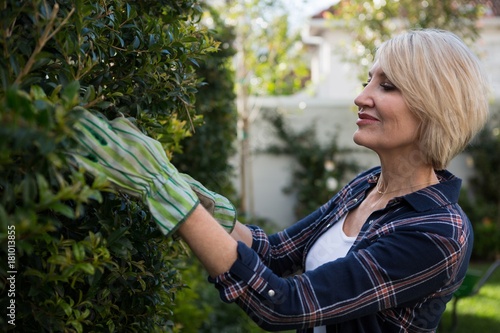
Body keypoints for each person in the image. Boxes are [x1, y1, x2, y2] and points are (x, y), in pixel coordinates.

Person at [72, 29, 490, 332]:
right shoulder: (366, 187)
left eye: (388, 86)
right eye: (368, 80)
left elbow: (285, 305)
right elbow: (274, 253)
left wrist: (169, 200)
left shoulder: (437, 232)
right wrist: (198, 201)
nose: (362, 96)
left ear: (433, 107)